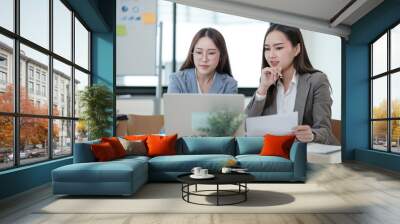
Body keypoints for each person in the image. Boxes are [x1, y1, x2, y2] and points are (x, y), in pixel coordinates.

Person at [245, 24, 339, 145]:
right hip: (275, 154)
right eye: (267, 49)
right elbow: (245, 125)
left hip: (305, 153)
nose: (271, 55)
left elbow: (325, 131)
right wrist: (263, 88)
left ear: (296, 49)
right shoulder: (267, 82)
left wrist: (311, 134)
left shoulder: (317, 80)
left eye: (278, 48)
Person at [167, 28, 238, 94]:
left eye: (211, 53)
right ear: (192, 53)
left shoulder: (229, 84)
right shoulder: (177, 80)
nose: (204, 59)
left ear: (221, 55)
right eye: (199, 52)